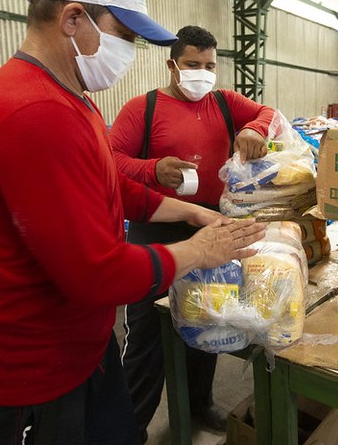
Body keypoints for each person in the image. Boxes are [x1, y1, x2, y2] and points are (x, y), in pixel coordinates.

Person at [0, 0, 265, 445]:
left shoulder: (70, 98)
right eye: (124, 36)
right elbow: (95, 274)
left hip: (73, 352)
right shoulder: (33, 112)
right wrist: (199, 253)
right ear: (72, 19)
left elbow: (111, 185)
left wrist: (190, 213)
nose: (127, 51)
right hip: (16, 377)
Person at [109, 25, 275, 439]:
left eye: (209, 66)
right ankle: (132, 426)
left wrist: (256, 129)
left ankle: (201, 404)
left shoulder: (223, 102)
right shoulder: (141, 109)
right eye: (192, 65)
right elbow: (109, 161)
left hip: (212, 222)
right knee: (147, 334)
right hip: (157, 225)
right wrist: (152, 169)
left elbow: (268, 112)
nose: (202, 73)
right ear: (172, 65)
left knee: (208, 318)